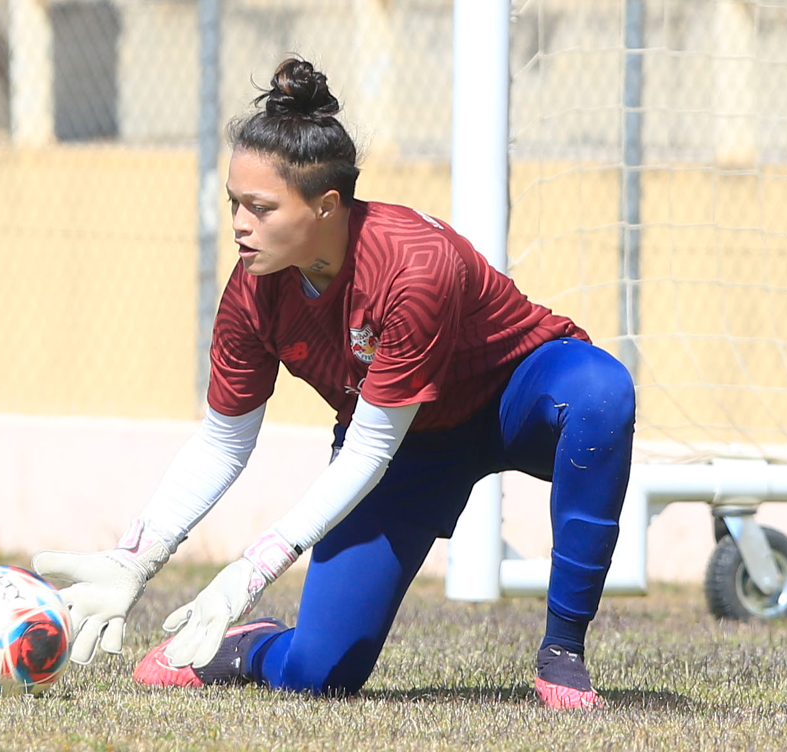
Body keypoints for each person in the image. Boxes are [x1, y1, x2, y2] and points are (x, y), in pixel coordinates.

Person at [33, 57, 635, 710]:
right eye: (234, 202)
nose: (239, 222)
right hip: (406, 445)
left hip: (514, 395)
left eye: (260, 207)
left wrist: (248, 571)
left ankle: (562, 654)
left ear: (325, 207)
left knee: (601, 396)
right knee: (319, 675)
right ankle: (251, 644)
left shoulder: (413, 267)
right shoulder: (250, 294)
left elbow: (369, 448)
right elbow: (223, 445)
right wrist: (135, 559)